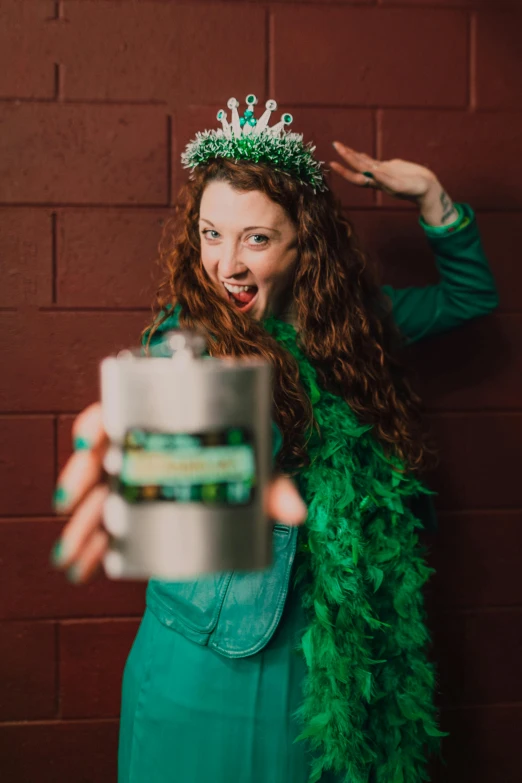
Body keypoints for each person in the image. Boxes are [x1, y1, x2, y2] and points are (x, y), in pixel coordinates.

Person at [51, 95, 499, 783]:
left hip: (331, 660)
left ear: (303, 245)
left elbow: (471, 298)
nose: (226, 263)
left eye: (256, 238)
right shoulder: (186, 345)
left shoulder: (357, 330)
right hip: (211, 662)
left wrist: (432, 195)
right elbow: (176, 518)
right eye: (210, 233)